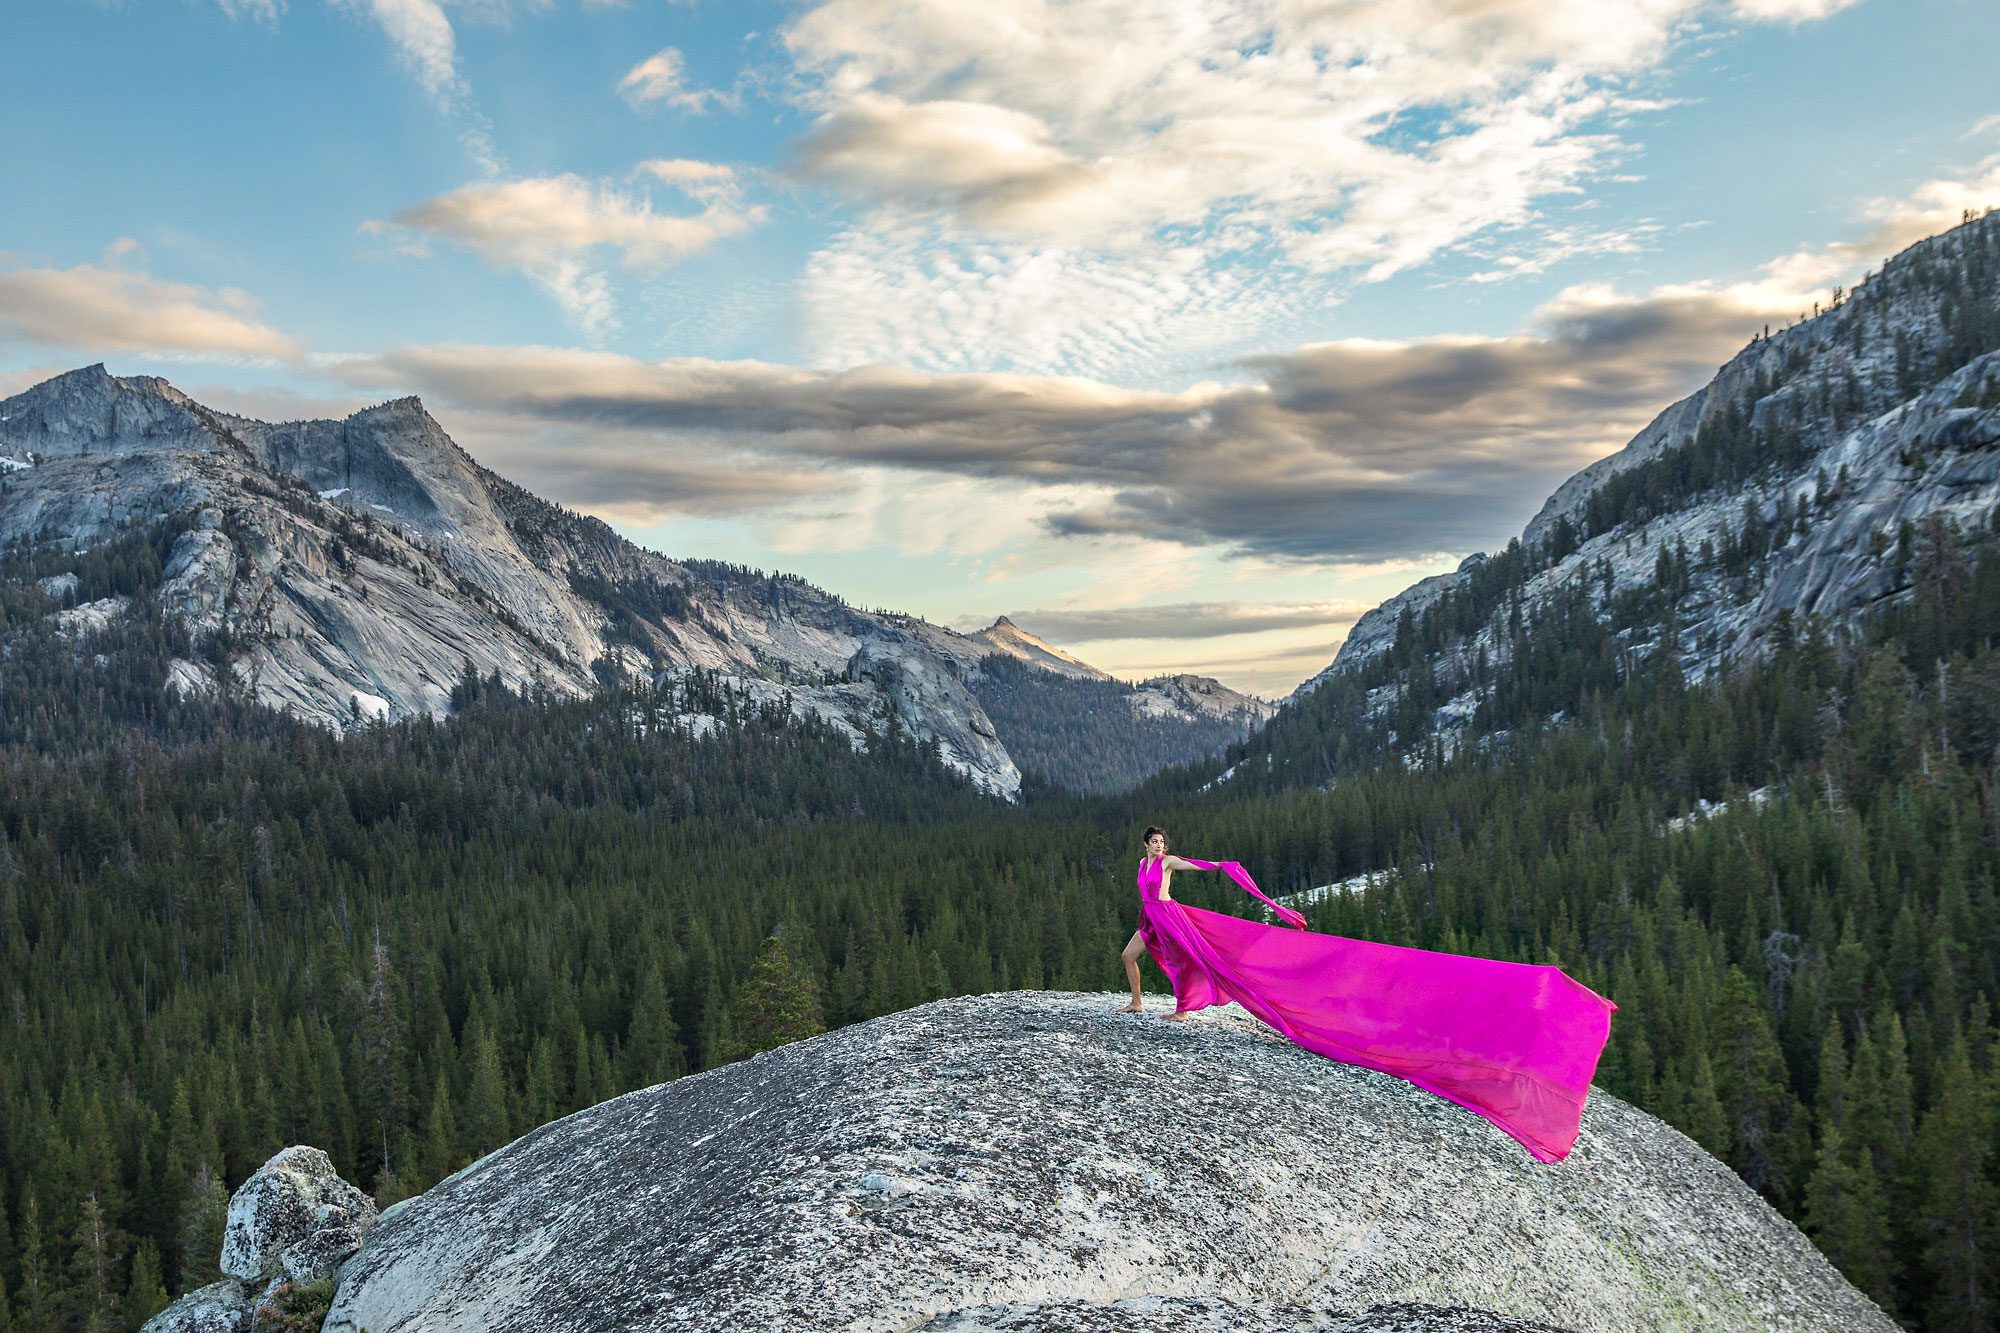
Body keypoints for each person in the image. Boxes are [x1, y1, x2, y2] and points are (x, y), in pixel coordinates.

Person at [1118, 824, 1617, 1163]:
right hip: (1151, 919)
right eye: (1154, 843)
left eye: (1164, 843)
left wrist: (1241, 878)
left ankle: (1185, 1004)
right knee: (1130, 958)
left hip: (1174, 919)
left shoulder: (1172, 864)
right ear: (1146, 845)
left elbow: (1211, 867)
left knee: (1211, 963)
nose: (1160, 848)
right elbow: (1148, 891)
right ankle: (1141, 1000)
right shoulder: (1143, 866)